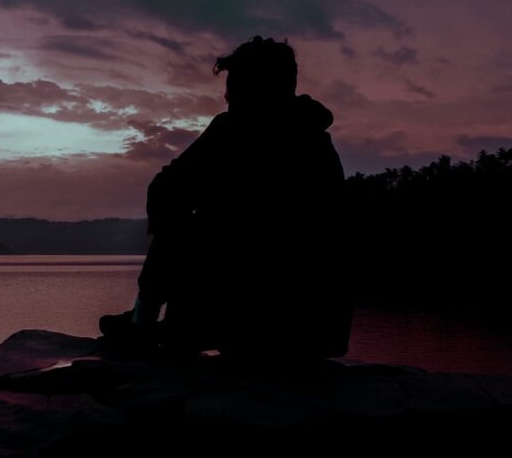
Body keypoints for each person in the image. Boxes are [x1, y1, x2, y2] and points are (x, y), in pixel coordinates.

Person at [100, 36, 351, 359]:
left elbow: (166, 190)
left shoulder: (233, 131)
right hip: (317, 333)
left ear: (255, 90)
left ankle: (142, 324)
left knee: (181, 223)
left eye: (233, 87)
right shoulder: (318, 143)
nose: (226, 96)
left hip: (254, 326)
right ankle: (160, 326)